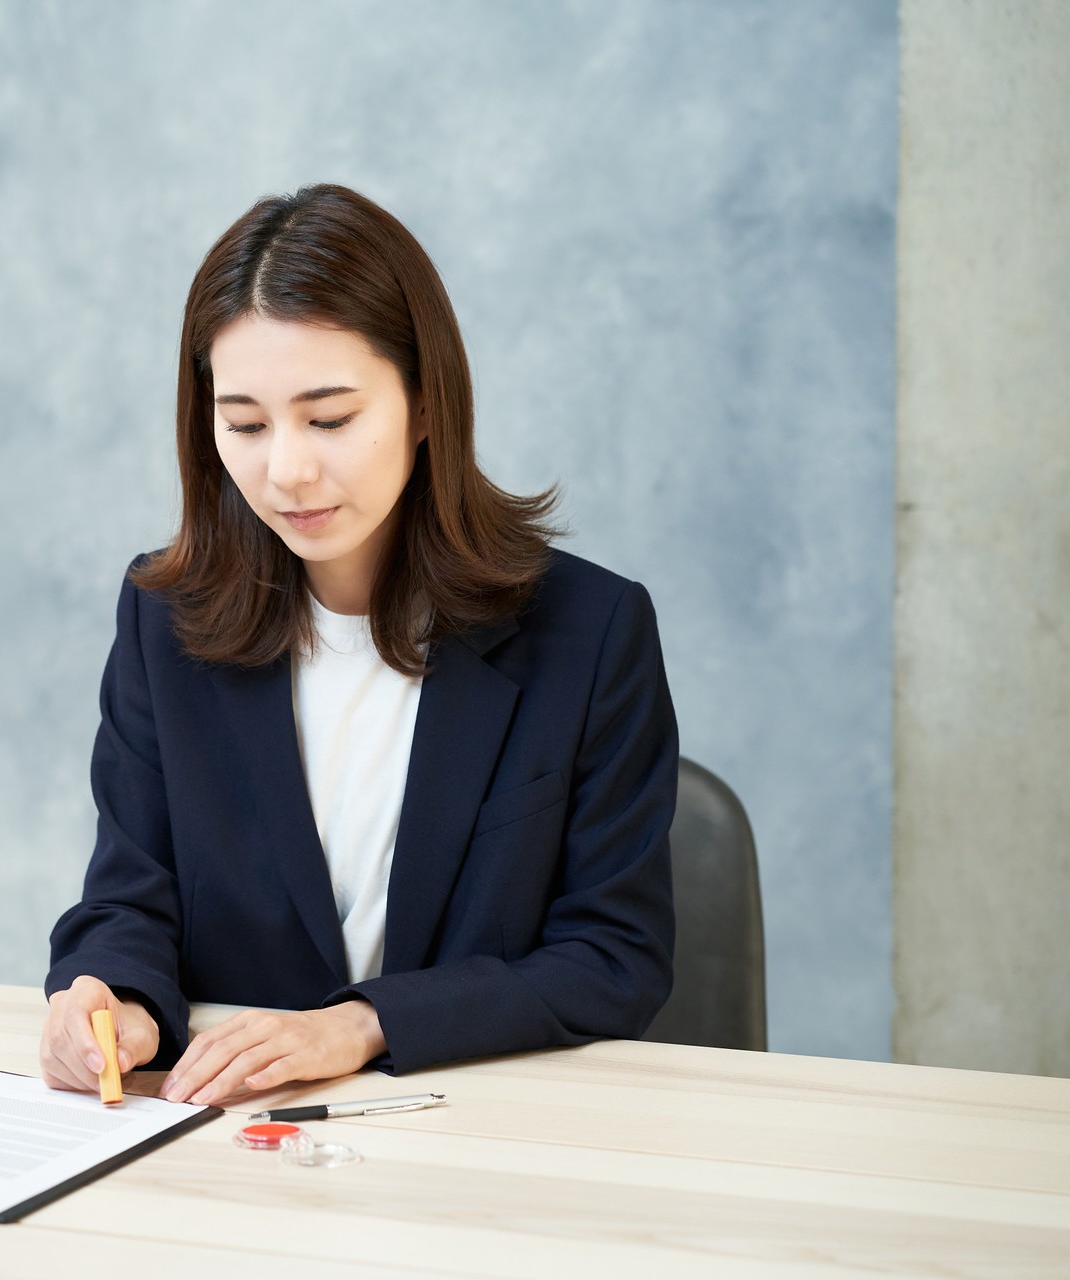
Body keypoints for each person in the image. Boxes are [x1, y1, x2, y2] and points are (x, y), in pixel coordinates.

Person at [40, 184, 677, 1107]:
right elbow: (130, 893)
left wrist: (363, 1022)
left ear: (425, 404)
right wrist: (117, 996)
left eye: (330, 418)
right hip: (235, 1138)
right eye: (247, 425)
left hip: (486, 1135)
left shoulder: (590, 634)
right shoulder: (164, 619)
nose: (286, 469)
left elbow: (613, 957)